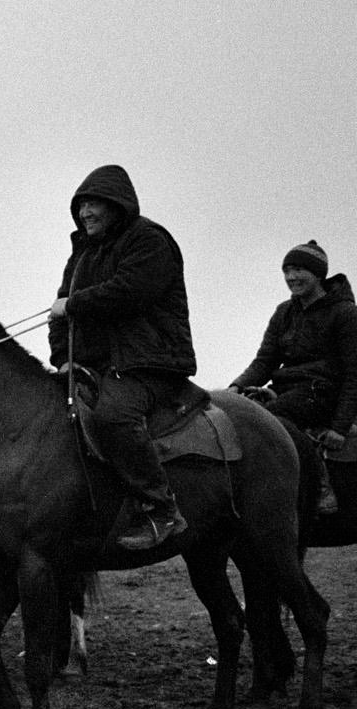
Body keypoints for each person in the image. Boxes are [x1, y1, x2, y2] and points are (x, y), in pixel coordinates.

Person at [48, 164, 196, 552]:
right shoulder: (82, 254)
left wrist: (73, 305)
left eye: (93, 204)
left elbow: (130, 291)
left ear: (116, 204)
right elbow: (58, 313)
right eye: (80, 207)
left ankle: (162, 507)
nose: (85, 213)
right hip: (95, 367)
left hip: (150, 362)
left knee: (113, 416)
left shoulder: (149, 240)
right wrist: (63, 358)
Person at [228, 240, 357, 515]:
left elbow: (354, 374)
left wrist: (340, 427)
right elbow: (265, 361)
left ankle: (322, 485)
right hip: (286, 389)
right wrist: (235, 387)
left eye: (299, 270)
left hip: (323, 391)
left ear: (318, 273)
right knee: (243, 415)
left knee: (269, 421)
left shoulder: (345, 314)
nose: (291, 278)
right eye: (286, 270)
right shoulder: (283, 312)